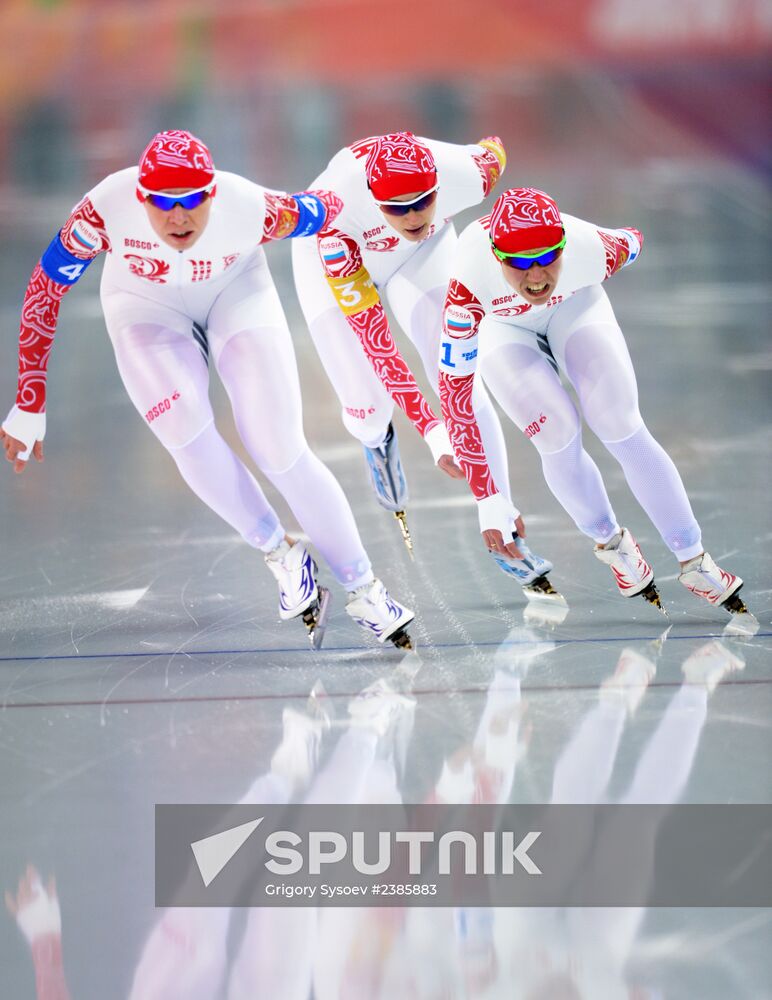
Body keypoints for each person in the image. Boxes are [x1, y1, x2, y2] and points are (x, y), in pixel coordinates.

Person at [1, 129, 414, 648]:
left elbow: (329, 205)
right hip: (143, 304)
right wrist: (29, 400)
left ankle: (366, 590)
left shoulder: (253, 208)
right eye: (162, 204)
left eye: (192, 201)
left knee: (278, 445)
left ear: (212, 194)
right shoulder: (103, 210)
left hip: (235, 292)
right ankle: (283, 554)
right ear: (140, 196)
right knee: (182, 426)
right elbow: (45, 288)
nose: (179, 218)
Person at [438, 186, 749, 617]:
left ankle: (694, 560)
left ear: (565, 245)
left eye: (548, 259)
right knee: (555, 430)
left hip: (575, 307)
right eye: (520, 265)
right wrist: (488, 498)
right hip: (500, 328)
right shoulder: (466, 285)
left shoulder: (595, 248)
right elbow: (455, 392)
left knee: (618, 421)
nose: (535, 278)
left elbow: (634, 237)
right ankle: (612, 543)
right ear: (496, 256)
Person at [292, 131, 561, 599]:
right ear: (375, 198)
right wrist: (433, 430)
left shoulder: (470, 175)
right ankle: (376, 438)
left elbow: (495, 144)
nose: (414, 215)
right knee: (368, 403)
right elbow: (377, 341)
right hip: (334, 258)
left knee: (458, 374)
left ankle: (500, 517)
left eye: (424, 201)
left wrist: (486, 495)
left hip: (421, 255)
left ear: (440, 185)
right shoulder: (333, 215)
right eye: (398, 207)